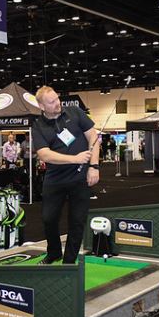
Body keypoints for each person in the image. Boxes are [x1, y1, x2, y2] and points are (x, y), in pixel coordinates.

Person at [32, 86, 99, 265]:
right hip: (55, 179)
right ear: (41, 106)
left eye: (57, 98)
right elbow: (45, 155)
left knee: (77, 221)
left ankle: (69, 261)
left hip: (80, 178)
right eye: (51, 102)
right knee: (48, 219)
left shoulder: (75, 112)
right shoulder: (38, 126)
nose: (57, 103)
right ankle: (54, 252)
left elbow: (93, 138)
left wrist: (94, 166)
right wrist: (75, 159)